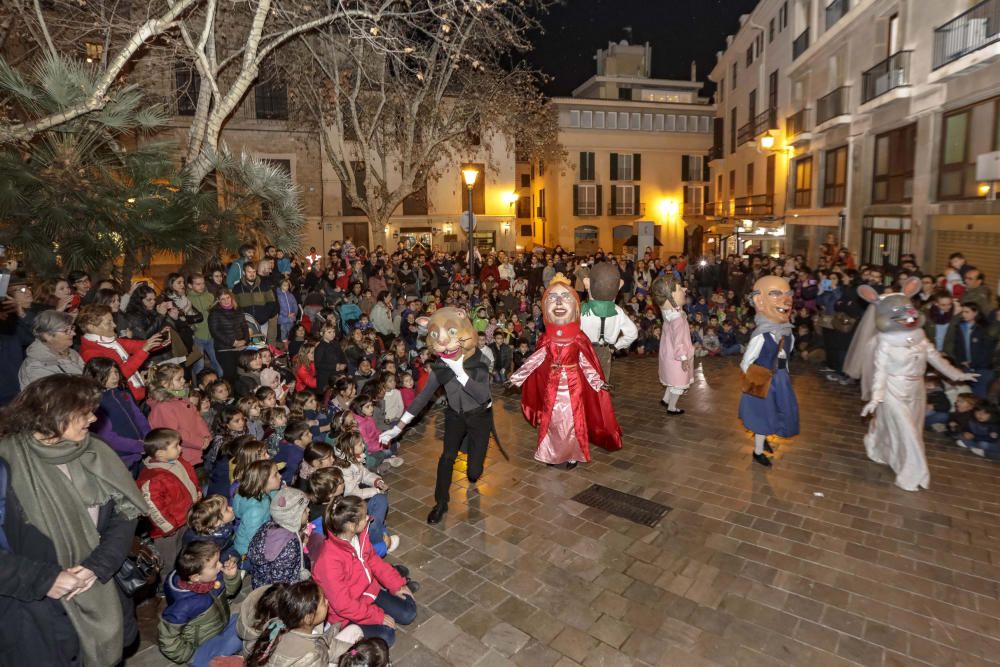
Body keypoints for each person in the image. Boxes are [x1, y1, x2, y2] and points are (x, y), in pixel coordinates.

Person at [0, 374, 146, 666]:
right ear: (53, 415)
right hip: (39, 611)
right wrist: (46, 579)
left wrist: (98, 566)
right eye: (84, 411)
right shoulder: (7, 464)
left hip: (103, 591)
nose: (93, 418)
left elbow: (125, 513)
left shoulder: (96, 451)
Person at [377, 307, 493, 525]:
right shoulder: (440, 367)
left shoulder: (478, 361)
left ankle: (473, 461)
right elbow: (421, 399)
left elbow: (483, 395)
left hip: (479, 417)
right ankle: (441, 503)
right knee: (446, 458)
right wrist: (398, 428)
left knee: (474, 473)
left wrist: (460, 373)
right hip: (455, 417)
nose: (444, 342)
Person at [860, 279, 977, 491]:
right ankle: (912, 476)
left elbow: (935, 358)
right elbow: (880, 372)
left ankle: (879, 447)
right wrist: (876, 397)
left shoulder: (920, 335)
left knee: (912, 431)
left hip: (916, 390)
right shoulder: (884, 342)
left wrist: (958, 375)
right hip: (893, 391)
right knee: (909, 434)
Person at [510, 275, 622, 469]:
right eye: (553, 298)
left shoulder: (579, 337)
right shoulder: (546, 338)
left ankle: (572, 454)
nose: (559, 302)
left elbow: (586, 364)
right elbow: (536, 359)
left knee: (572, 420)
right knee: (552, 420)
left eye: (565, 297)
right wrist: (516, 378)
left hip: (573, 385)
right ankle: (550, 453)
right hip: (552, 384)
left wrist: (598, 383)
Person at [313, 496, 416, 647]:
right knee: (386, 635)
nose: (368, 518)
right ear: (351, 526)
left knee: (408, 613)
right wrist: (377, 616)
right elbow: (344, 605)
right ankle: (344, 638)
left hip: (369, 591)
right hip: (346, 615)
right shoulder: (329, 561)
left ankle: (393, 589)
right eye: (364, 517)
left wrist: (397, 584)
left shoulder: (360, 535)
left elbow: (374, 561)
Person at [739, 276, 799, 467]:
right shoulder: (761, 335)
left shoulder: (788, 333)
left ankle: (763, 438)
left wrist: (783, 375)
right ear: (759, 301)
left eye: (788, 294)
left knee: (777, 411)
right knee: (761, 416)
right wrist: (757, 378)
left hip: (780, 379)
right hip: (762, 379)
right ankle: (757, 451)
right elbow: (746, 361)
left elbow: (786, 358)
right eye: (776, 294)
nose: (786, 299)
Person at [158, 540, 243, 666]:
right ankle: (201, 661)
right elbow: (167, 639)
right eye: (215, 565)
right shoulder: (183, 606)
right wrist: (189, 655)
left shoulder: (210, 577)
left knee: (248, 623)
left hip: (221, 624)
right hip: (202, 642)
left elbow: (230, 592)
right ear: (196, 578)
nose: (220, 565)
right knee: (237, 641)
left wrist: (231, 577)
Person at [242, 581, 359, 666]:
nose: (327, 602)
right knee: (355, 632)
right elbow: (322, 649)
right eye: (323, 602)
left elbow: (327, 647)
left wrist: (355, 652)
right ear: (308, 618)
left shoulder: (284, 625)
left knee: (355, 635)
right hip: (314, 660)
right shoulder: (311, 655)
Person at [136, 428, 201, 575]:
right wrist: (168, 527)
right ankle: (165, 586)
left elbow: (189, 479)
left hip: (185, 518)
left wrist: (197, 493)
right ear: (160, 453)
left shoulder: (178, 462)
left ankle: (182, 577)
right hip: (168, 530)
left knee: (183, 551)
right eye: (176, 446)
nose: (180, 448)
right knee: (168, 559)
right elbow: (152, 506)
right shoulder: (152, 478)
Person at [77, 304, 168, 402]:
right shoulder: (90, 352)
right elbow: (116, 376)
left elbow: (139, 346)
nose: (114, 325)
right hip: (124, 399)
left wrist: (160, 339)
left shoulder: (110, 340)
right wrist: (144, 350)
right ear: (92, 327)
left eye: (113, 321)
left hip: (135, 394)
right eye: (109, 323)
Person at [84, 357, 150, 475]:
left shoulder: (123, 394)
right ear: (94, 376)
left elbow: (139, 418)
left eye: (115, 372)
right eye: (108, 374)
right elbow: (108, 437)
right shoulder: (96, 404)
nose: (115, 377)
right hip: (120, 458)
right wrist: (140, 446)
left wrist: (149, 438)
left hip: (139, 453)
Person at [579, 262, 638, 383]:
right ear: (620, 285)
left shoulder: (581, 310)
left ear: (587, 284)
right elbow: (633, 333)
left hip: (584, 351)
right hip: (605, 351)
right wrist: (616, 346)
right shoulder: (618, 311)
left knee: (584, 384)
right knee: (601, 384)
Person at [246, 486, 311, 588]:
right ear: (294, 516)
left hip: (259, 581)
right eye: (304, 510)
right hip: (275, 592)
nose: (309, 510)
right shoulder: (290, 545)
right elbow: (282, 582)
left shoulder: (268, 525)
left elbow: (250, 551)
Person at [652, 275, 695, 416]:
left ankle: (665, 399)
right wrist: (683, 358)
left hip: (668, 353)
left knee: (671, 379)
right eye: (679, 289)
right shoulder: (677, 318)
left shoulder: (668, 312)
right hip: (677, 356)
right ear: (670, 296)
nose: (684, 289)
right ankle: (672, 407)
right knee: (678, 382)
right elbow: (679, 341)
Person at [18, 309, 85, 388]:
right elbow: (55, 398)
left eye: (72, 328)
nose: (74, 333)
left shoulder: (71, 353)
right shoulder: (36, 366)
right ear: (47, 335)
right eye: (66, 331)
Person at [208, 289, 250, 382]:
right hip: (224, 349)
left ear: (231, 298)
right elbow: (215, 332)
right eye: (223, 299)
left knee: (244, 372)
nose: (226, 301)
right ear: (218, 300)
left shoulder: (238, 309)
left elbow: (244, 326)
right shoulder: (215, 313)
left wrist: (245, 340)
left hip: (241, 346)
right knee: (230, 375)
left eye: (228, 298)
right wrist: (232, 342)